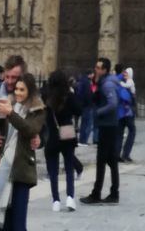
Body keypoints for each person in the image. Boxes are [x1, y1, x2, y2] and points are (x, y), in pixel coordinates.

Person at [0, 71, 45, 231]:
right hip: (3, 168)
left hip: (21, 172)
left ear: (30, 92)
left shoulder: (37, 110)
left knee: (18, 224)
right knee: (3, 222)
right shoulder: (9, 105)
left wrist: (10, 113)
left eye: (22, 90)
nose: (18, 93)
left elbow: (29, 129)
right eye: (17, 89)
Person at [80, 58, 120, 205]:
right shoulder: (105, 82)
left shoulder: (108, 84)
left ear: (104, 70)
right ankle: (114, 193)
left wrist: (98, 113)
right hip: (109, 125)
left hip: (107, 126)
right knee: (111, 161)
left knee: (102, 161)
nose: (95, 69)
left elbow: (113, 103)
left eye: (98, 68)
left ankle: (97, 194)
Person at [43, 69, 80, 212]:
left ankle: (56, 201)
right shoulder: (69, 96)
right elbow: (79, 110)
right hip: (67, 134)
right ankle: (70, 197)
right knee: (69, 167)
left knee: (53, 171)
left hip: (52, 135)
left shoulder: (46, 96)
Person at [115, 64, 136, 163]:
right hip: (126, 111)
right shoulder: (122, 81)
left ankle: (116, 154)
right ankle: (125, 154)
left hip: (119, 112)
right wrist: (130, 99)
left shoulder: (115, 80)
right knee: (132, 131)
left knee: (119, 133)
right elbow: (125, 96)